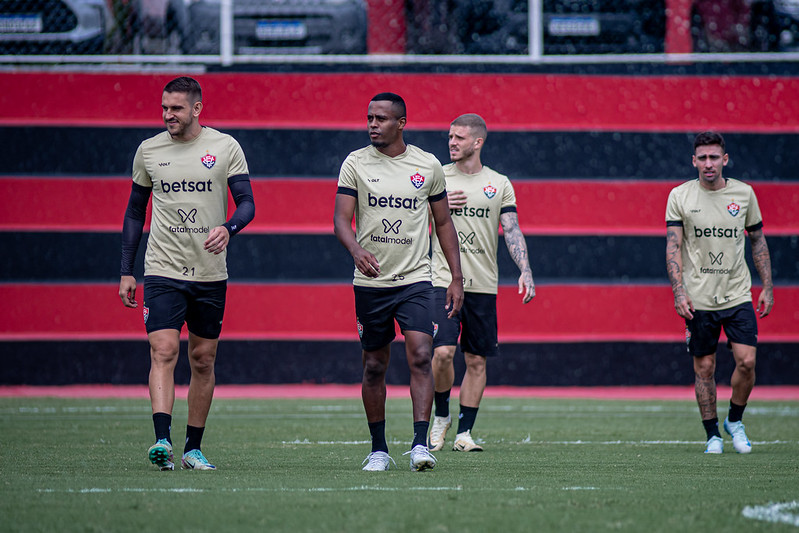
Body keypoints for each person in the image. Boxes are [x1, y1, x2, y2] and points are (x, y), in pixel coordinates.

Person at [119, 76, 255, 471]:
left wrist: (228, 229)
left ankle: (192, 449)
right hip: (161, 269)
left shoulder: (225, 147)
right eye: (164, 108)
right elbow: (134, 213)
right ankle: (162, 440)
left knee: (202, 358)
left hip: (210, 273)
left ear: (196, 108)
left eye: (176, 108)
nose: (168, 115)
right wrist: (126, 270)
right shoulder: (148, 151)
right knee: (163, 350)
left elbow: (247, 204)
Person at [333, 92, 464, 472]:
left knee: (422, 355)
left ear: (401, 123)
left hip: (416, 280)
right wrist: (356, 250)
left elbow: (443, 223)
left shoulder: (427, 165)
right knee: (374, 365)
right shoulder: (355, 163)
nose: (373, 124)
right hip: (371, 283)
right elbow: (342, 220)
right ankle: (378, 449)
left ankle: (420, 445)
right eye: (370, 118)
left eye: (382, 119)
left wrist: (456, 277)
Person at [428, 113, 535, 452]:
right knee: (443, 352)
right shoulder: (437, 177)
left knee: (476, 361)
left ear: (478, 142)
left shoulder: (499, 183)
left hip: (483, 283)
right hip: (443, 280)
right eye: (449, 137)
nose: (451, 143)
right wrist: (437, 208)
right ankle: (441, 414)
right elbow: (413, 218)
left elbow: (512, 228)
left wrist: (525, 269)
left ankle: (464, 433)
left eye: (458, 137)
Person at [665, 131, 774, 455]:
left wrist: (767, 286)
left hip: (737, 293)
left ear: (724, 160)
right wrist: (678, 291)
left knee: (747, 362)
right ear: (694, 161)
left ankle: (734, 421)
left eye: (714, 157)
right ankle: (712, 434)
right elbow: (673, 245)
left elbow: (757, 241)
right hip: (698, 297)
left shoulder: (744, 194)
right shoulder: (680, 196)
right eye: (703, 158)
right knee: (705, 368)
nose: (708, 163)